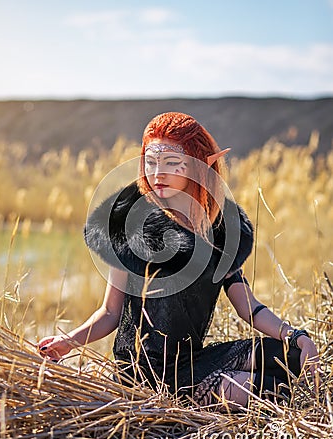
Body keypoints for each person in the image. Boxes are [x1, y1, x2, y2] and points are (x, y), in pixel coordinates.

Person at [39, 112, 319, 410]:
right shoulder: (132, 226)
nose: (157, 173)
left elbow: (248, 307)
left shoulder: (220, 233)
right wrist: (68, 341)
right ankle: (189, 400)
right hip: (145, 374)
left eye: (172, 163)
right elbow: (109, 312)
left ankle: (214, 389)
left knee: (287, 355)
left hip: (192, 361)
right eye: (150, 161)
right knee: (270, 389)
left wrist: (295, 335)